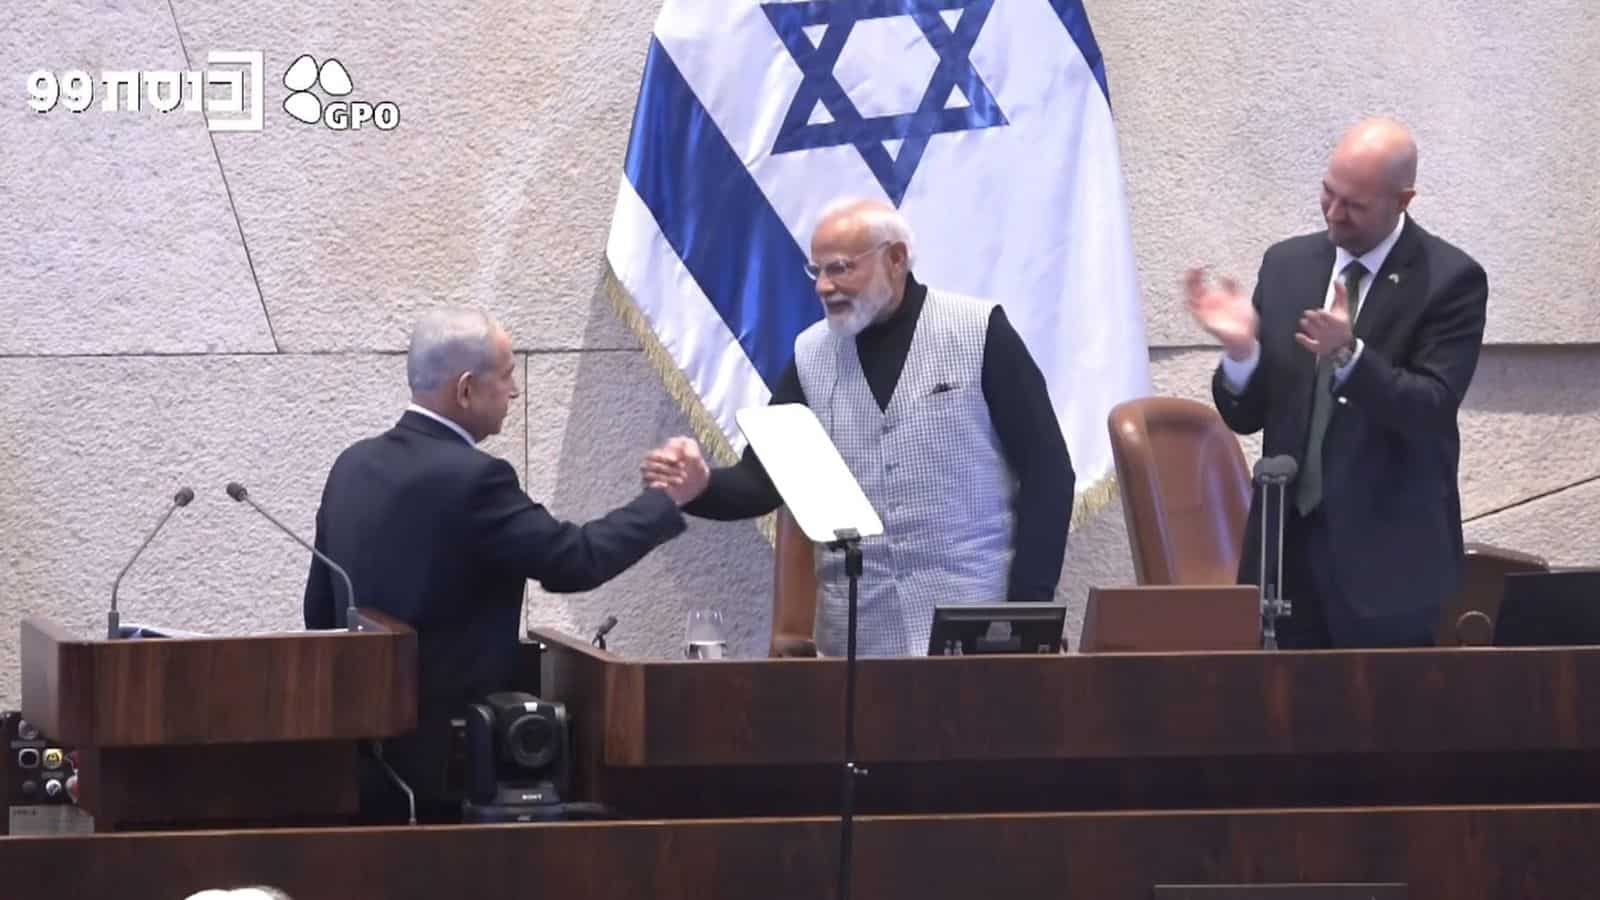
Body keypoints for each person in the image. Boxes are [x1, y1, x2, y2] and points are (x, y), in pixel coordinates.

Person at [304, 308, 706, 822]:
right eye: (507, 375)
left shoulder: (352, 465)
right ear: (467, 389)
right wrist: (667, 500)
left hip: (361, 765)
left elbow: (318, 611)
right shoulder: (474, 478)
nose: (515, 392)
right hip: (450, 775)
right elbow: (574, 561)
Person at [643, 198, 1074, 658]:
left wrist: (1028, 614)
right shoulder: (811, 355)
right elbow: (761, 482)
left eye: (841, 268)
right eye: (817, 272)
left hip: (976, 634)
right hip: (857, 648)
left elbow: (1049, 474)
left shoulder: (979, 331)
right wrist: (701, 485)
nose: (825, 287)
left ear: (896, 259)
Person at [1184, 116, 1488, 649]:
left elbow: (1431, 404)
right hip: (1284, 561)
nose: (1333, 212)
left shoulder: (1449, 279)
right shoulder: (1287, 266)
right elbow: (1247, 415)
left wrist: (1351, 356)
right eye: (1328, 192)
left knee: (1381, 727)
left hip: (1389, 570)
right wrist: (1241, 353)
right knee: (1280, 725)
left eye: (1355, 204)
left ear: (1404, 200)